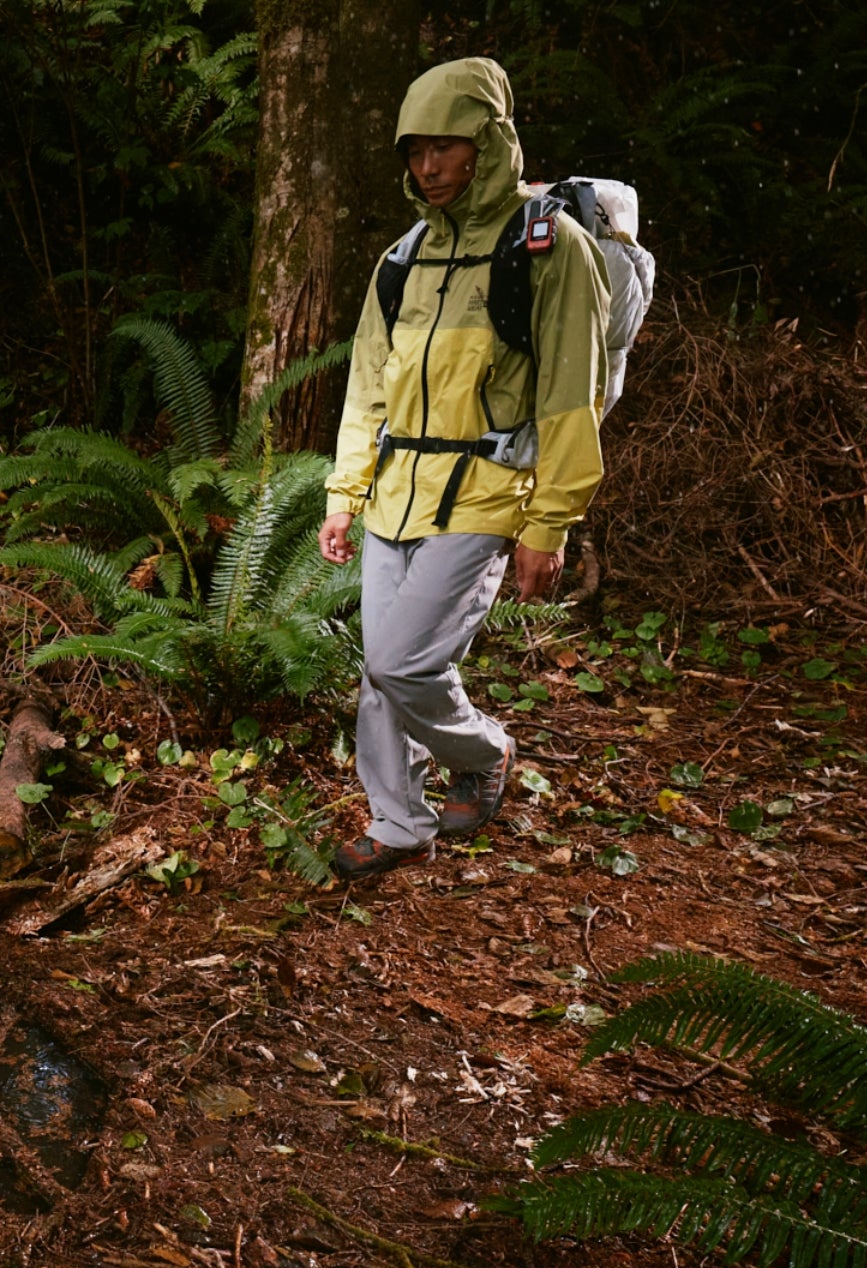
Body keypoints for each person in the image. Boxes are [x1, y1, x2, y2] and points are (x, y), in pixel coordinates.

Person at [317, 57, 608, 881]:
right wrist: (345, 492)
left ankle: (483, 755)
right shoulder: (402, 258)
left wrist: (547, 525)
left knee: (399, 662)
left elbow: (567, 397)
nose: (429, 167)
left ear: (490, 142)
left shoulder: (549, 248)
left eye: (446, 146)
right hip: (393, 494)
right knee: (382, 670)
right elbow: (367, 386)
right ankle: (399, 821)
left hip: (485, 492)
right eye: (415, 151)